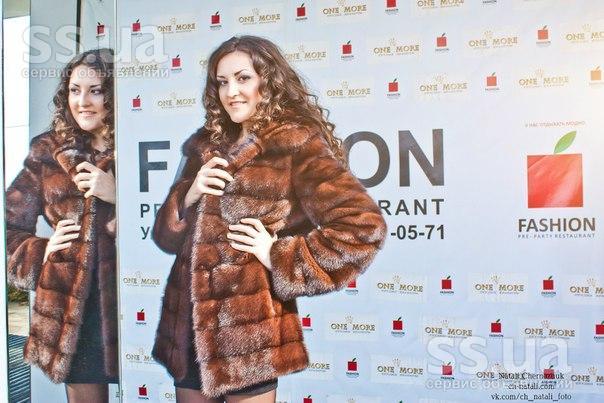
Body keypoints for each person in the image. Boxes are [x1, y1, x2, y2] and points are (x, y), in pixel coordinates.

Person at [152, 35, 387, 403]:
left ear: (268, 80)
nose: (231, 92)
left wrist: (278, 255)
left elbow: (362, 227)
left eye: (243, 78)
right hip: (187, 328)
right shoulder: (206, 144)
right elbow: (166, 239)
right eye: (222, 82)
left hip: (248, 332)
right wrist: (189, 194)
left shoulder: (295, 143)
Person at [5, 48, 118, 403]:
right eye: (74, 90)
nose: (82, 102)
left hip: (133, 297)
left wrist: (120, 195)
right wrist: (41, 251)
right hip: (73, 310)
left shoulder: (141, 143)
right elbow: (9, 225)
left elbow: (180, 217)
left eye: (96, 90)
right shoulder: (48, 151)